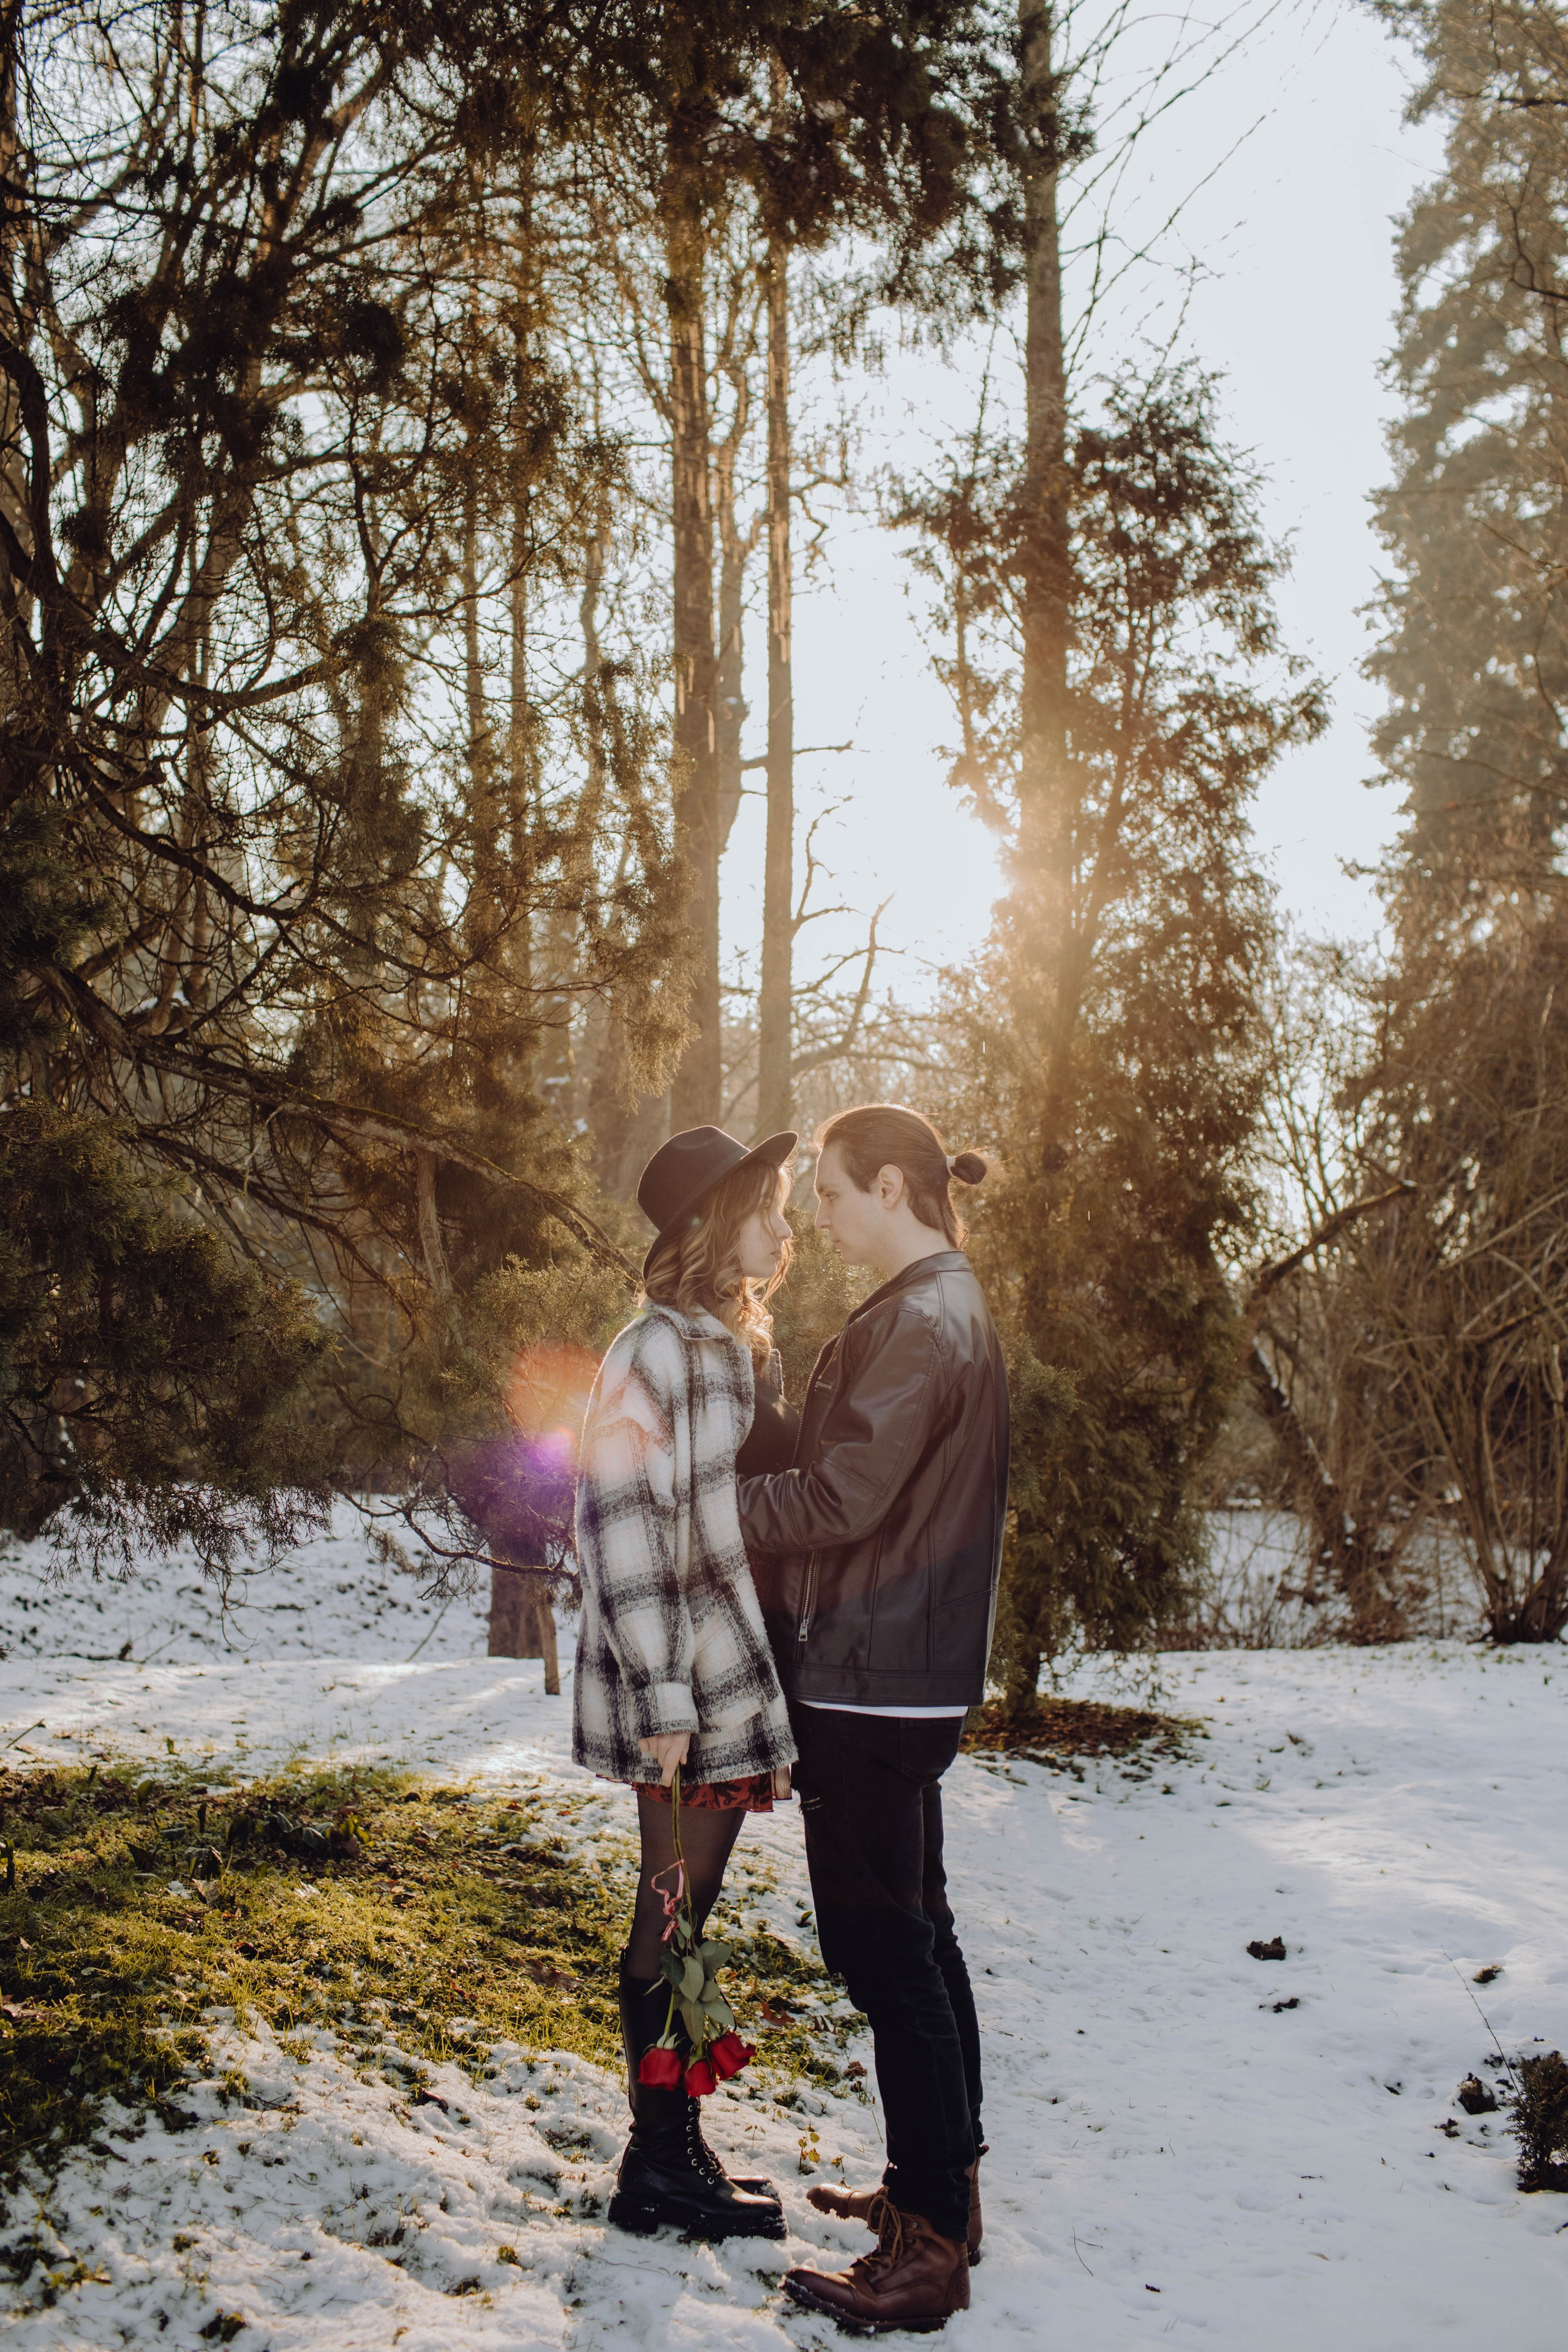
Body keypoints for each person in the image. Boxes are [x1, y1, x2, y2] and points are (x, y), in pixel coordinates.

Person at [737, 1104, 1009, 2333]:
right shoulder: (938, 1304)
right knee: (918, 1931)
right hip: (903, 1670)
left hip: (870, 1676)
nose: (824, 1221)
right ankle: (932, 2194)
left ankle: (931, 2249)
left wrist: (710, 1501)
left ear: (893, 1188)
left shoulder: (920, 1320)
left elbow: (844, 1495)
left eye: (837, 1196)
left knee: (878, 1948)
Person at [572, 1123, 801, 2241]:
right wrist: (662, 1695)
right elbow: (619, 1532)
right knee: (670, 1914)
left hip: (722, 1683)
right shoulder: (649, 1351)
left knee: (688, 1916)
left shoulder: (722, 1348)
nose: (788, 1227)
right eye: (771, 1205)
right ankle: (656, 2166)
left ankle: (669, 2150)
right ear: (717, 1219)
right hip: (678, 1693)